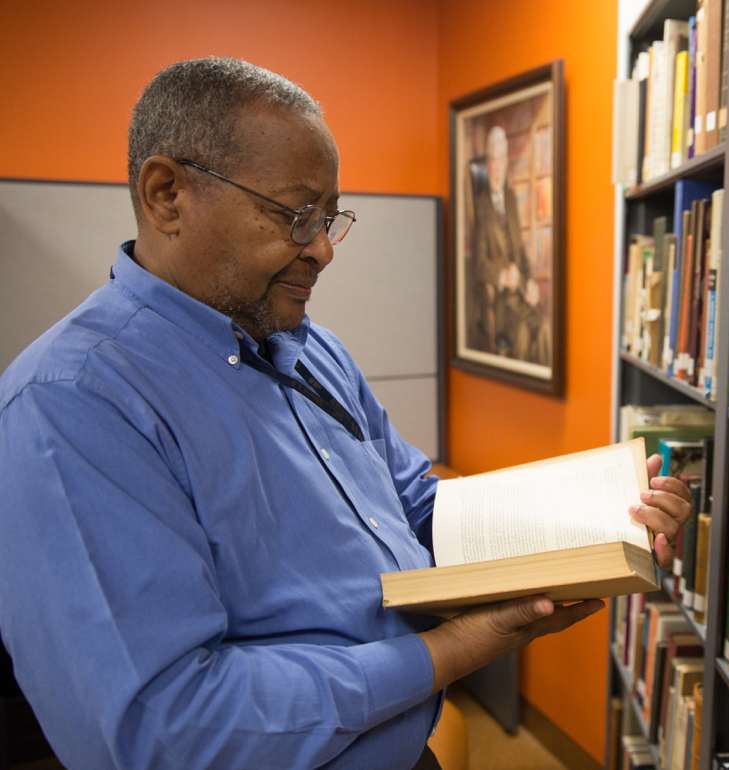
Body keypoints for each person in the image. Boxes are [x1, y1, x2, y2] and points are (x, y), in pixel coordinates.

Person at [0, 58, 692, 770]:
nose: (324, 249)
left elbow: (413, 504)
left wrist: (598, 527)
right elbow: (170, 727)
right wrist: (453, 650)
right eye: (296, 215)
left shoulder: (310, 348)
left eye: (330, 218)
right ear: (166, 195)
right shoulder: (71, 406)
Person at [470, 125, 551, 365]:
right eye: (493, 160)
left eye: (501, 160)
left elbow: (522, 257)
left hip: (522, 297)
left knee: (545, 328)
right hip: (501, 304)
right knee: (523, 334)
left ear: (506, 163)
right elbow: (479, 265)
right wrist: (504, 275)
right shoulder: (482, 207)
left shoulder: (511, 200)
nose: (497, 167)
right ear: (488, 165)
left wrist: (531, 283)